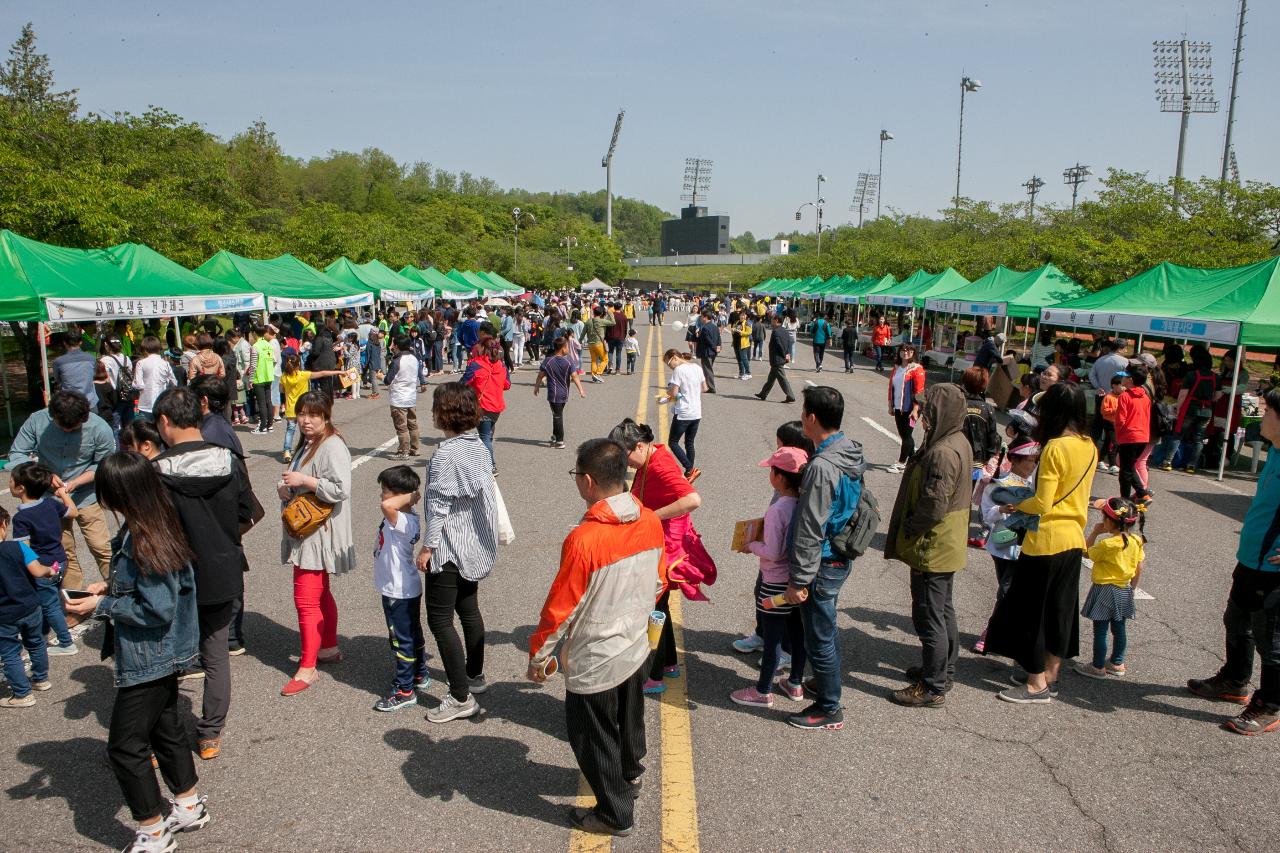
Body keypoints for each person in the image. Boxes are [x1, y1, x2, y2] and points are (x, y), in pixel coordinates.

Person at [61, 452, 209, 853]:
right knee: (165, 728)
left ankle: (153, 830)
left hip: (149, 654)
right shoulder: (152, 522)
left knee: (125, 748)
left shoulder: (143, 536)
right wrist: (107, 589)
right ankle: (189, 804)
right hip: (164, 651)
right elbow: (153, 592)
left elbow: (155, 608)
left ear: (118, 491)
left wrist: (101, 606)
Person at [527, 437, 664, 837]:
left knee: (593, 736)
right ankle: (631, 774)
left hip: (597, 656)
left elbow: (560, 611)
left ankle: (614, 812)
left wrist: (540, 658)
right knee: (629, 718)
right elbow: (658, 580)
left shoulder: (584, 539)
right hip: (636, 644)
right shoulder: (650, 518)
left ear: (587, 481)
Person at [152, 388, 258, 761]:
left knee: (163, 661)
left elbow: (149, 531)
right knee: (216, 654)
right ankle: (210, 733)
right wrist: (224, 539)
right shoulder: (228, 460)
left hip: (173, 576)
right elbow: (250, 514)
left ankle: (162, 738)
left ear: (164, 421)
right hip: (223, 569)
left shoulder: (158, 470)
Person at [986, 381, 1096, 704]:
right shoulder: (1089, 445)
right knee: (1060, 611)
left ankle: (1035, 684)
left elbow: (1042, 502)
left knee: (1031, 613)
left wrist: (1015, 502)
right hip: (1073, 538)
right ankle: (1051, 674)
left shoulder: (1054, 448)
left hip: (1045, 539)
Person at [1185, 387, 1280, 735]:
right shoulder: (1275, 453)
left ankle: (1270, 704)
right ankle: (1235, 680)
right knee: (1237, 619)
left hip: (1273, 569)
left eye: (1267, 410)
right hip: (1251, 558)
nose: (1261, 415)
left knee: (1272, 640)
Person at [608, 419, 716, 695]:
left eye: (626, 456)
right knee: (661, 606)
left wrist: (651, 518)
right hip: (658, 545)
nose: (626, 463)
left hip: (663, 548)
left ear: (640, 446)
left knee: (651, 608)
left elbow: (693, 500)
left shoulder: (661, 464)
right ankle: (668, 663)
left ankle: (653, 675)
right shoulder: (652, 457)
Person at [414, 383, 498, 723]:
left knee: (439, 619)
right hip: (473, 541)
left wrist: (428, 547)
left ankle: (460, 696)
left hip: (449, 546)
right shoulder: (477, 444)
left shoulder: (446, 453)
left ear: (444, 412)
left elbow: (439, 505)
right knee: (468, 609)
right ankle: (474, 675)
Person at [884, 384, 971, 707]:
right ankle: (942, 670)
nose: (922, 417)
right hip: (947, 541)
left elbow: (934, 505)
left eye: (927, 411)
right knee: (943, 609)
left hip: (933, 545)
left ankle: (932, 686)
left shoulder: (943, 452)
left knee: (929, 615)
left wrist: (909, 527)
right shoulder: (955, 439)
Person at [277, 392, 355, 697]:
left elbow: (340, 488)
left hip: (318, 533)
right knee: (320, 594)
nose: (307, 421)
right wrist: (285, 488)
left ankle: (308, 668)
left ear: (327, 415)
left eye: (314, 415)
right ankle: (327, 647)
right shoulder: (310, 442)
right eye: (302, 414)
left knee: (306, 601)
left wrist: (304, 481)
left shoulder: (332, 445)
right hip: (311, 529)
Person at [8, 391, 115, 599]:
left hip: (86, 495)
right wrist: (42, 475)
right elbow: (16, 454)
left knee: (101, 546)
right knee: (64, 551)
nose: (67, 430)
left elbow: (104, 464)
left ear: (84, 418)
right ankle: (72, 599)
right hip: (48, 499)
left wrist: (76, 481)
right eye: (61, 426)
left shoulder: (99, 427)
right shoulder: (37, 421)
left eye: (73, 428)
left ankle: (116, 591)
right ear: (52, 416)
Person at [729, 447, 810, 709]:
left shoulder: (779, 508)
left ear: (780, 477)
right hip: (796, 581)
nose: (770, 474)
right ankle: (795, 683)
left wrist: (751, 545)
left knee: (773, 637)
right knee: (797, 633)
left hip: (774, 582)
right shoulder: (804, 503)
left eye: (772, 470)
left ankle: (763, 690)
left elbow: (773, 552)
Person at [973, 439, 1040, 654]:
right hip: (1003, 546)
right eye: (1028, 461)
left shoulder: (1036, 485)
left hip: (1028, 546)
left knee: (1014, 592)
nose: (1032, 466)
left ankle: (1002, 633)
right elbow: (986, 515)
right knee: (1006, 590)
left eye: (1035, 461)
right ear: (1014, 460)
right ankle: (992, 632)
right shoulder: (998, 483)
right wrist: (1001, 510)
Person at [372, 465, 430, 712]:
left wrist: (411, 494)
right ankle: (420, 674)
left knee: (401, 640)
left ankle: (404, 690)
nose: (382, 496)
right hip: (402, 587)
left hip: (398, 590)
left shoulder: (405, 519)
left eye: (385, 491)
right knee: (412, 634)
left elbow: (387, 506)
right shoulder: (404, 516)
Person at [10, 463, 79, 656]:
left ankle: (66, 643)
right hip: (60, 561)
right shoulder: (50, 504)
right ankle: (43, 634)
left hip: (43, 566)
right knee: (50, 600)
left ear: (20, 488)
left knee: (49, 605)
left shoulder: (22, 518)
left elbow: (24, 550)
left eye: (11, 480)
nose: (9, 482)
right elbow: (73, 512)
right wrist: (62, 492)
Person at [1076, 497, 1145, 679]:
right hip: (1124, 589)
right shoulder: (1136, 540)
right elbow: (1139, 567)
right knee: (1119, 628)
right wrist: (1132, 589)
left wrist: (1094, 532)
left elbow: (1085, 551)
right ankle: (1117, 662)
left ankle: (1097, 666)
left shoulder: (1107, 544)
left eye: (1103, 518)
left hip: (1105, 589)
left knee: (1100, 630)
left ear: (1109, 521)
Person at [0, 505, 55, 707]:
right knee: (36, 642)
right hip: (30, 606)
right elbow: (38, 571)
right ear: (3, 525)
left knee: (9, 653)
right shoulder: (18, 547)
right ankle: (41, 679)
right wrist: (50, 570)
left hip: (4, 615)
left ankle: (22, 694)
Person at [279, 352, 344, 464]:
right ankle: (307, 449)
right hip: (303, 408)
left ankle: (287, 451)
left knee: (290, 430)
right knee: (306, 429)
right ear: (299, 364)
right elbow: (323, 373)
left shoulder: (284, 377)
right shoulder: (303, 375)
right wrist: (340, 371)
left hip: (290, 408)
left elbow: (281, 390)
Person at [463, 326, 511, 475]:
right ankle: (484, 460)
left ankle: (491, 465)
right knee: (487, 435)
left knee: (484, 437)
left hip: (482, 405)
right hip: (496, 406)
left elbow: (463, 383)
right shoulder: (501, 366)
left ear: (482, 348)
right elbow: (507, 385)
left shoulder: (476, 365)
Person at [1173, 344, 1222, 474]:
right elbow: (1218, 396)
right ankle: (1192, 464)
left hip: (1190, 408)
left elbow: (1183, 394)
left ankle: (1168, 461)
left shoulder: (1191, 375)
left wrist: (1178, 408)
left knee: (1179, 434)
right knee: (1199, 438)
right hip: (1206, 410)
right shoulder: (1216, 377)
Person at [533, 333, 586, 449]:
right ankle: (555, 436)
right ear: (562, 349)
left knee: (557, 415)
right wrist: (581, 390)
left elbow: (540, 376)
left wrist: (536, 387)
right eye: (567, 347)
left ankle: (560, 440)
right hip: (564, 394)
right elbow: (575, 376)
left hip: (553, 394)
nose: (568, 349)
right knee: (557, 414)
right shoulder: (568, 362)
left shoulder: (548, 361)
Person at [664, 349, 707, 479]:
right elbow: (704, 388)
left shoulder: (679, 370)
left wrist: (670, 393)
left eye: (669, 363)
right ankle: (689, 474)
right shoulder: (697, 367)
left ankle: (690, 468)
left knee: (673, 442)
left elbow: (673, 392)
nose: (670, 366)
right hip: (696, 412)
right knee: (689, 442)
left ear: (675, 358)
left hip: (684, 412)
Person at [1114, 365, 1152, 502]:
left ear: (1130, 379)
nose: (1122, 378)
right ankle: (1143, 494)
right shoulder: (1145, 397)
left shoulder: (1124, 396)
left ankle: (1124, 500)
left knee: (1125, 472)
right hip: (1143, 436)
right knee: (1128, 468)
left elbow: (1120, 420)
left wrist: (1117, 438)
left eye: (1124, 376)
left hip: (1128, 437)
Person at [887, 343, 925, 473]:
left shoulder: (917, 369)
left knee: (907, 435)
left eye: (909, 351)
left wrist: (916, 409)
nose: (905, 353)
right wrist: (890, 405)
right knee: (904, 435)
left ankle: (901, 463)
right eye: (903, 350)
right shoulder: (896, 368)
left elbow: (919, 392)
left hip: (911, 408)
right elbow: (890, 388)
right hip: (898, 406)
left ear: (913, 353)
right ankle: (915, 461)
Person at [384, 335, 422, 461]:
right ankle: (415, 448)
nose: (392, 347)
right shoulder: (414, 358)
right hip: (411, 396)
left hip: (398, 397)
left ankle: (403, 451)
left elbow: (388, 380)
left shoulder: (397, 361)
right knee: (413, 424)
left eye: (394, 344)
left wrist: (380, 376)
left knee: (401, 426)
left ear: (397, 346)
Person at [132, 335, 177, 419]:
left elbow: (139, 385)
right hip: (161, 401)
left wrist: (133, 384)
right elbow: (174, 382)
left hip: (145, 403)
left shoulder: (141, 363)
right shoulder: (165, 363)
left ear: (145, 349)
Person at [754, 314, 796, 404]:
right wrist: (787, 354)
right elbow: (788, 343)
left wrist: (783, 355)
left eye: (773, 319)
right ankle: (763, 393)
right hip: (779, 359)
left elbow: (779, 345)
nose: (771, 321)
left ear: (776, 320)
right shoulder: (784, 331)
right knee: (771, 378)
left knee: (782, 378)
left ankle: (790, 395)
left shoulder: (776, 332)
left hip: (777, 359)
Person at [52, 329, 99, 407]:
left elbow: (57, 380)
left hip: (70, 404)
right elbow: (93, 375)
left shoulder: (58, 362)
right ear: (80, 342)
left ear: (64, 343)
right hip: (90, 402)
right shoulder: (91, 358)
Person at [248, 325, 277, 434]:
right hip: (269, 376)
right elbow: (274, 360)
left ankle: (262, 427)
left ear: (254, 333)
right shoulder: (268, 345)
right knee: (268, 401)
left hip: (259, 377)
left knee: (261, 403)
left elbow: (253, 364)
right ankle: (270, 425)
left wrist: (251, 379)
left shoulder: (255, 346)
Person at [584, 305, 614, 382]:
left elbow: (583, 333)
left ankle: (594, 375)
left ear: (593, 312)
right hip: (599, 343)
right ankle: (598, 373)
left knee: (594, 360)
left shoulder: (588, 321)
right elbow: (613, 322)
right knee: (605, 359)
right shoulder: (601, 321)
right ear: (601, 314)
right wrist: (610, 313)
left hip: (590, 343)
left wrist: (580, 341)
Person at [694, 310, 721, 394]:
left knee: (708, 370)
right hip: (713, 352)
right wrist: (718, 346)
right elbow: (718, 337)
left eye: (702, 317)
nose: (701, 318)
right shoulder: (715, 326)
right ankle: (707, 385)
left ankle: (711, 387)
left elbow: (707, 340)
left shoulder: (704, 328)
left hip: (707, 352)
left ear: (705, 317)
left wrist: (697, 335)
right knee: (708, 369)